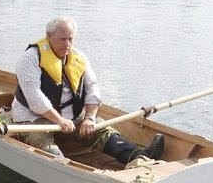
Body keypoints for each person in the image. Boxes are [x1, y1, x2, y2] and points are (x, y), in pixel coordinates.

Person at [12, 16, 164, 166]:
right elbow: (35, 98)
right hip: (35, 118)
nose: (67, 44)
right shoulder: (30, 59)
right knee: (41, 142)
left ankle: (139, 155)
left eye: (71, 39)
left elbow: (93, 90)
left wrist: (89, 118)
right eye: (62, 39)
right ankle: (65, 166)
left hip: (70, 116)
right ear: (48, 36)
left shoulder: (79, 58)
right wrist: (59, 121)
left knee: (101, 129)